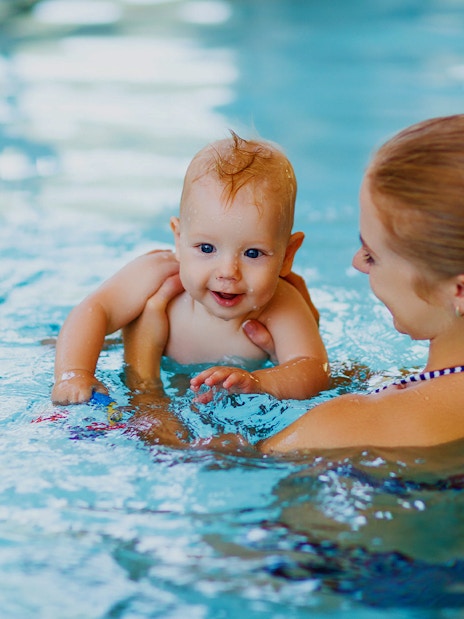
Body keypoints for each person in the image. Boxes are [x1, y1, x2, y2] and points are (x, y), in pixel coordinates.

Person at [129, 115, 464, 452]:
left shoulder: (339, 427)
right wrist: (293, 361)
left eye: (373, 254)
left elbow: (188, 459)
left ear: (459, 290)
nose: (357, 263)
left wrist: (143, 380)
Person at [52, 131, 329, 406]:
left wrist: (260, 382)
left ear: (287, 255)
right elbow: (94, 309)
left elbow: (313, 370)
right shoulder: (157, 274)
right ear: (179, 238)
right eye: (206, 249)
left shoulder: (282, 305)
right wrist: (74, 372)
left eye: (253, 253)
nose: (228, 272)